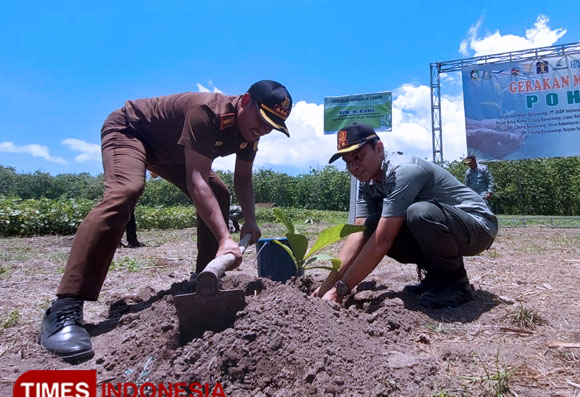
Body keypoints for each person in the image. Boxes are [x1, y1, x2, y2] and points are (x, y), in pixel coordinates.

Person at [40, 80, 293, 363]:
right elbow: (197, 180)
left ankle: (204, 285)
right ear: (245, 101)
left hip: (171, 150)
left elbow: (243, 178)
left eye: (272, 125)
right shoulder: (206, 113)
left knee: (220, 193)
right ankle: (65, 308)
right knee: (126, 190)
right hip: (131, 131)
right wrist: (225, 238)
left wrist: (250, 220)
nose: (264, 129)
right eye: (261, 120)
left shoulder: (251, 131)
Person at [314, 123, 498, 308]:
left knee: (418, 214)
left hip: (478, 226)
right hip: (448, 227)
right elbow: (360, 232)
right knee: (373, 224)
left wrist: (341, 289)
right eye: (348, 162)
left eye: (358, 157)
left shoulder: (403, 171)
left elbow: (383, 239)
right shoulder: (367, 182)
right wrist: (326, 286)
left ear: (379, 148)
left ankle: (456, 283)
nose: (353, 167)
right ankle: (436, 277)